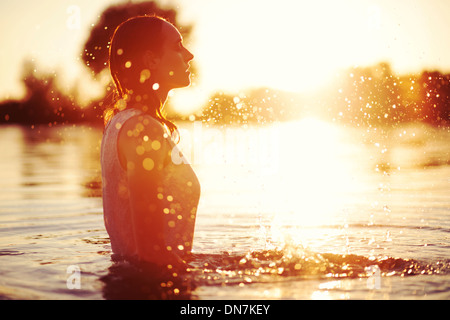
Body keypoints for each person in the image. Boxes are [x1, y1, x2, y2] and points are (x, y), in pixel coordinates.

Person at [100, 16, 200, 269]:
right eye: (178, 46)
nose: (189, 55)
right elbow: (151, 255)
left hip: (131, 284)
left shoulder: (119, 123)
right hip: (153, 289)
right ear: (150, 59)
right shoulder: (143, 129)